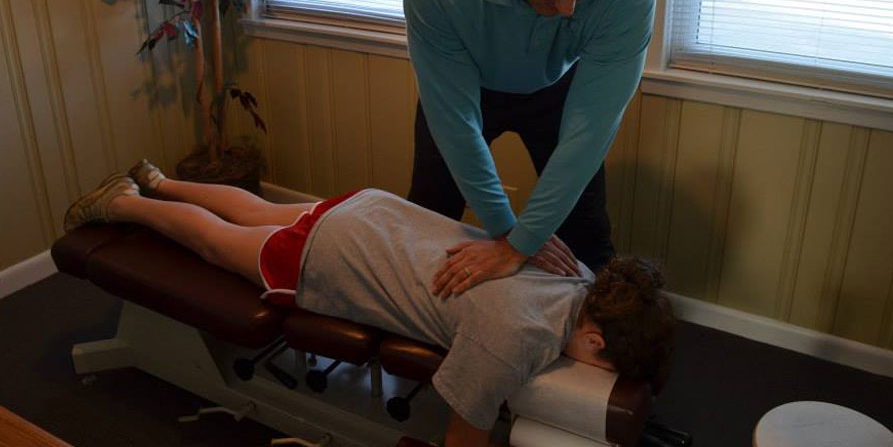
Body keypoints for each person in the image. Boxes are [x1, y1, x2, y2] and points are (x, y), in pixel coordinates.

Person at [64, 161, 675, 447]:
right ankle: (121, 203)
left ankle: (160, 179)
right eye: (602, 369)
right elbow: (463, 435)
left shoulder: (582, 275)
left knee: (254, 209)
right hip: (335, 256)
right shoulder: (516, 337)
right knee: (214, 241)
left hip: (375, 212)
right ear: (594, 342)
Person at [403, 0, 657, 299]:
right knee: (430, 213)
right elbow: (456, 122)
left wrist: (525, 241)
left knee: (587, 233)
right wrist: (506, 233)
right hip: (467, 87)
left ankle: (595, 351)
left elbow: (589, 133)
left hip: (559, 89)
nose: (568, 11)